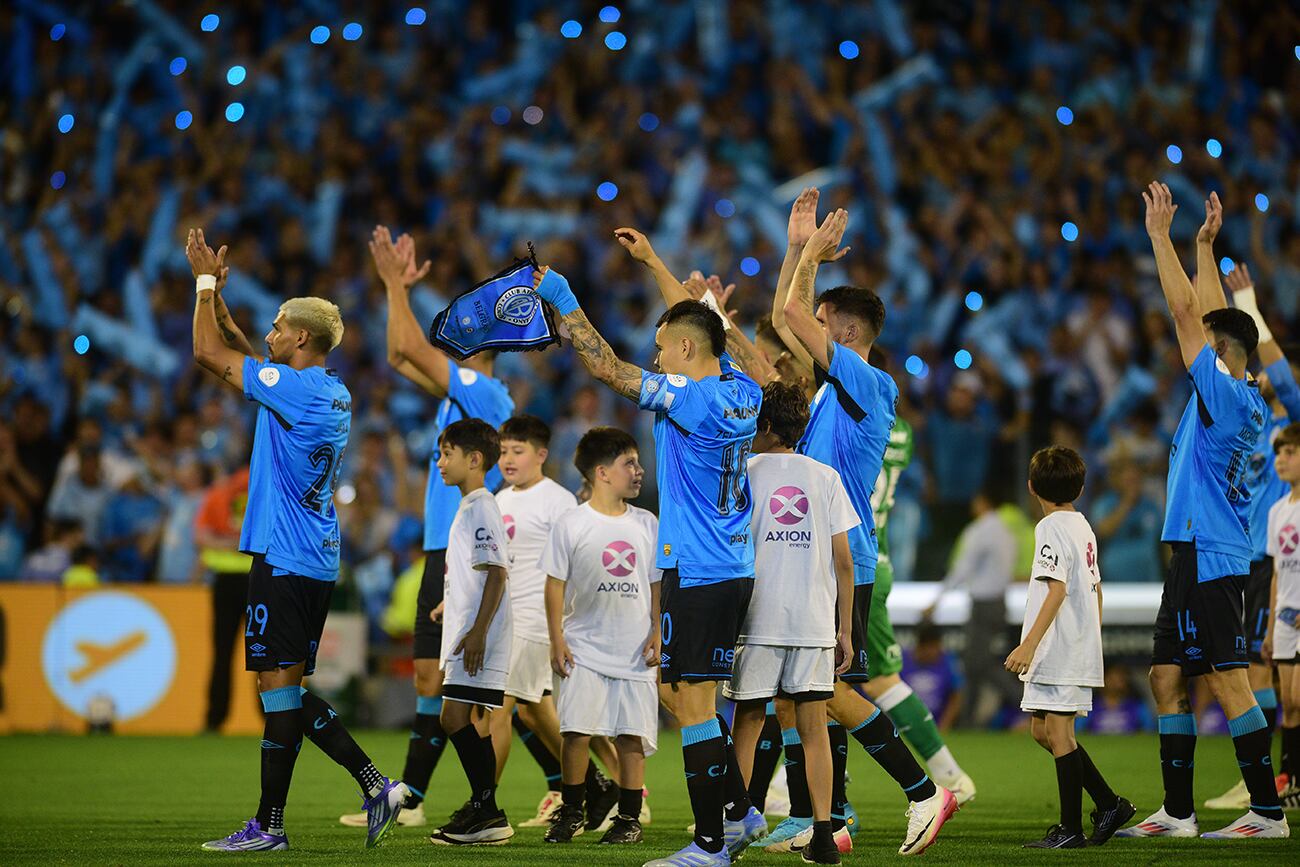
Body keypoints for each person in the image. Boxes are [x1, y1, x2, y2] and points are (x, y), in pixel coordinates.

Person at [529, 260, 766, 867]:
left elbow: (608, 368)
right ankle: (741, 812)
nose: (656, 359)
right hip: (733, 564)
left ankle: (710, 844)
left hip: (697, 568)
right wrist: (660, 268)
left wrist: (561, 294)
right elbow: (706, 331)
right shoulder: (744, 390)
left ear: (685, 350)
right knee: (678, 691)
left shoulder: (689, 397)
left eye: (662, 349)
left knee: (693, 709)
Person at [187, 230, 406, 853]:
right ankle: (373, 787)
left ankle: (271, 826)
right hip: (314, 556)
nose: (269, 334)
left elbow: (206, 352)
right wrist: (221, 300)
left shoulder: (295, 389)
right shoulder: (329, 389)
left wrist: (202, 285)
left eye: (279, 327)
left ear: (302, 339)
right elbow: (237, 344)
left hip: (283, 557)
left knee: (278, 695)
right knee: (284, 692)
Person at [778, 205, 957, 855]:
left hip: (842, 555)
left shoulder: (868, 380)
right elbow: (786, 318)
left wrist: (811, 256)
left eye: (824, 321)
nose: (813, 327)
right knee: (803, 692)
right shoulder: (836, 387)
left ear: (846, 331)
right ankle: (827, 818)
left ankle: (923, 791)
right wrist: (796, 248)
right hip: (819, 552)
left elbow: (791, 315)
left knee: (826, 689)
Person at [1117, 185, 1287, 839]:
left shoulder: (1224, 392)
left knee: (1228, 680)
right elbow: (1210, 315)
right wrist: (1205, 247)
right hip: (1195, 548)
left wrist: (1160, 238)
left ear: (1222, 353)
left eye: (1208, 344)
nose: (1196, 348)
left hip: (1210, 552)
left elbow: (1186, 312)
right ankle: (1178, 812)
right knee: (1166, 676)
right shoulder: (1238, 391)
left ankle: (1267, 812)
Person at [342, 227, 515, 830]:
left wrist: (395, 285)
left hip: (458, 553)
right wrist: (397, 292)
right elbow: (398, 355)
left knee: (460, 689)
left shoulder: (485, 392)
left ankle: (444, 800)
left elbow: (413, 347)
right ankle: (411, 799)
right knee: (431, 679)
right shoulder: (457, 396)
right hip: (440, 548)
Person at [725, 382, 857, 865]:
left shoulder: (743, 472)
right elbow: (845, 561)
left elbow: (730, 547)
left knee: (748, 721)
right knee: (814, 727)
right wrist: (845, 630)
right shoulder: (825, 477)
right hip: (813, 619)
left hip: (757, 618)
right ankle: (823, 834)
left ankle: (732, 830)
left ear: (762, 424)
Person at [489, 415, 620, 830]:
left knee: (498, 710)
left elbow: (578, 560)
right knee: (534, 714)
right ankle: (600, 786)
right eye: (503, 451)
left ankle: (484, 806)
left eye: (518, 451)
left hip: (535, 619)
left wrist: (569, 622)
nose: (508, 459)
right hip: (505, 620)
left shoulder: (558, 501)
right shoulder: (500, 499)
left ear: (542, 454)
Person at [1004, 446, 1134, 848]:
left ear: (1031, 487)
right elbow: (1096, 587)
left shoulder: (1050, 528)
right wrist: (1091, 636)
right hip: (1074, 643)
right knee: (1042, 730)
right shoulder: (1083, 525)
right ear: (1079, 488)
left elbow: (1057, 590)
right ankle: (1109, 803)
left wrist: (1028, 645)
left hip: (1058, 647)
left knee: (1058, 733)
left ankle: (1070, 829)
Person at [1206, 263, 1300, 809]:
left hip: (1275, 562)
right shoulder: (1260, 426)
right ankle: (1274, 776)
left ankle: (1266, 780)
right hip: (1248, 557)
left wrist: (1249, 305)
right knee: (1262, 668)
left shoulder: (1293, 427)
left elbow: (1279, 374)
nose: (1266, 376)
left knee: (1265, 669)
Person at [541, 427, 661, 846]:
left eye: (638, 463)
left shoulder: (647, 523)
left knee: (631, 736)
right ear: (602, 473)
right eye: (629, 463)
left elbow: (657, 585)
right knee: (576, 731)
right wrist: (557, 638)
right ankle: (573, 811)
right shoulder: (571, 523)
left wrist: (658, 631)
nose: (639, 470)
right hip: (584, 647)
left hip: (634, 649)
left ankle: (628, 818)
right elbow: (554, 585)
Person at [861, 404, 976, 802]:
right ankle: (795, 790)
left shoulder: (843, 423)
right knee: (821, 684)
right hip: (876, 556)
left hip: (854, 564)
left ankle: (946, 777)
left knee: (872, 680)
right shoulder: (902, 432)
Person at [427, 418, 515, 845]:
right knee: (460, 718)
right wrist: (451, 603)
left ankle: (487, 810)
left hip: (479, 635)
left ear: (474, 459)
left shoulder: (481, 506)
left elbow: (497, 572)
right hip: (468, 629)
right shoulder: (470, 505)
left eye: (448, 454)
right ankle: (484, 807)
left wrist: (479, 630)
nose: (440, 463)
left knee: (454, 717)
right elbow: (475, 573)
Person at [925, 487, 1020, 726]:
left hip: (983, 604)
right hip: (1000, 603)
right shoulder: (1007, 532)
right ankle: (970, 721)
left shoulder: (979, 531)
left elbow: (963, 568)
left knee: (978, 664)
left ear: (984, 502)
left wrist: (938, 599)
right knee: (976, 664)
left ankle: (1024, 701)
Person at [1263, 423, 1300, 807]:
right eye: (1278, 453)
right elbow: (1277, 573)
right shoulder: (1277, 512)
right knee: (1288, 702)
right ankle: (1290, 778)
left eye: (1290, 452)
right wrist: (1271, 629)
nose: (1281, 460)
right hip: (1287, 619)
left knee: (1299, 698)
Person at [900, 623, 965, 731]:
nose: (936, 652)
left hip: (937, 724)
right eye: (932, 648)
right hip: (905, 725)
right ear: (920, 646)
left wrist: (943, 727)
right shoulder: (901, 662)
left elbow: (956, 697)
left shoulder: (949, 661)